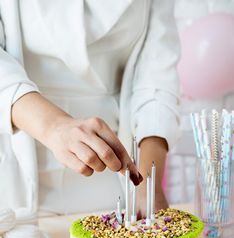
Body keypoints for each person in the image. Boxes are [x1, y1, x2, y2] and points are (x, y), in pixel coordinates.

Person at [0, 0, 180, 220]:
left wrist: (147, 184)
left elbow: (157, 74)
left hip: (112, 174)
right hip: (17, 163)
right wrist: (54, 126)